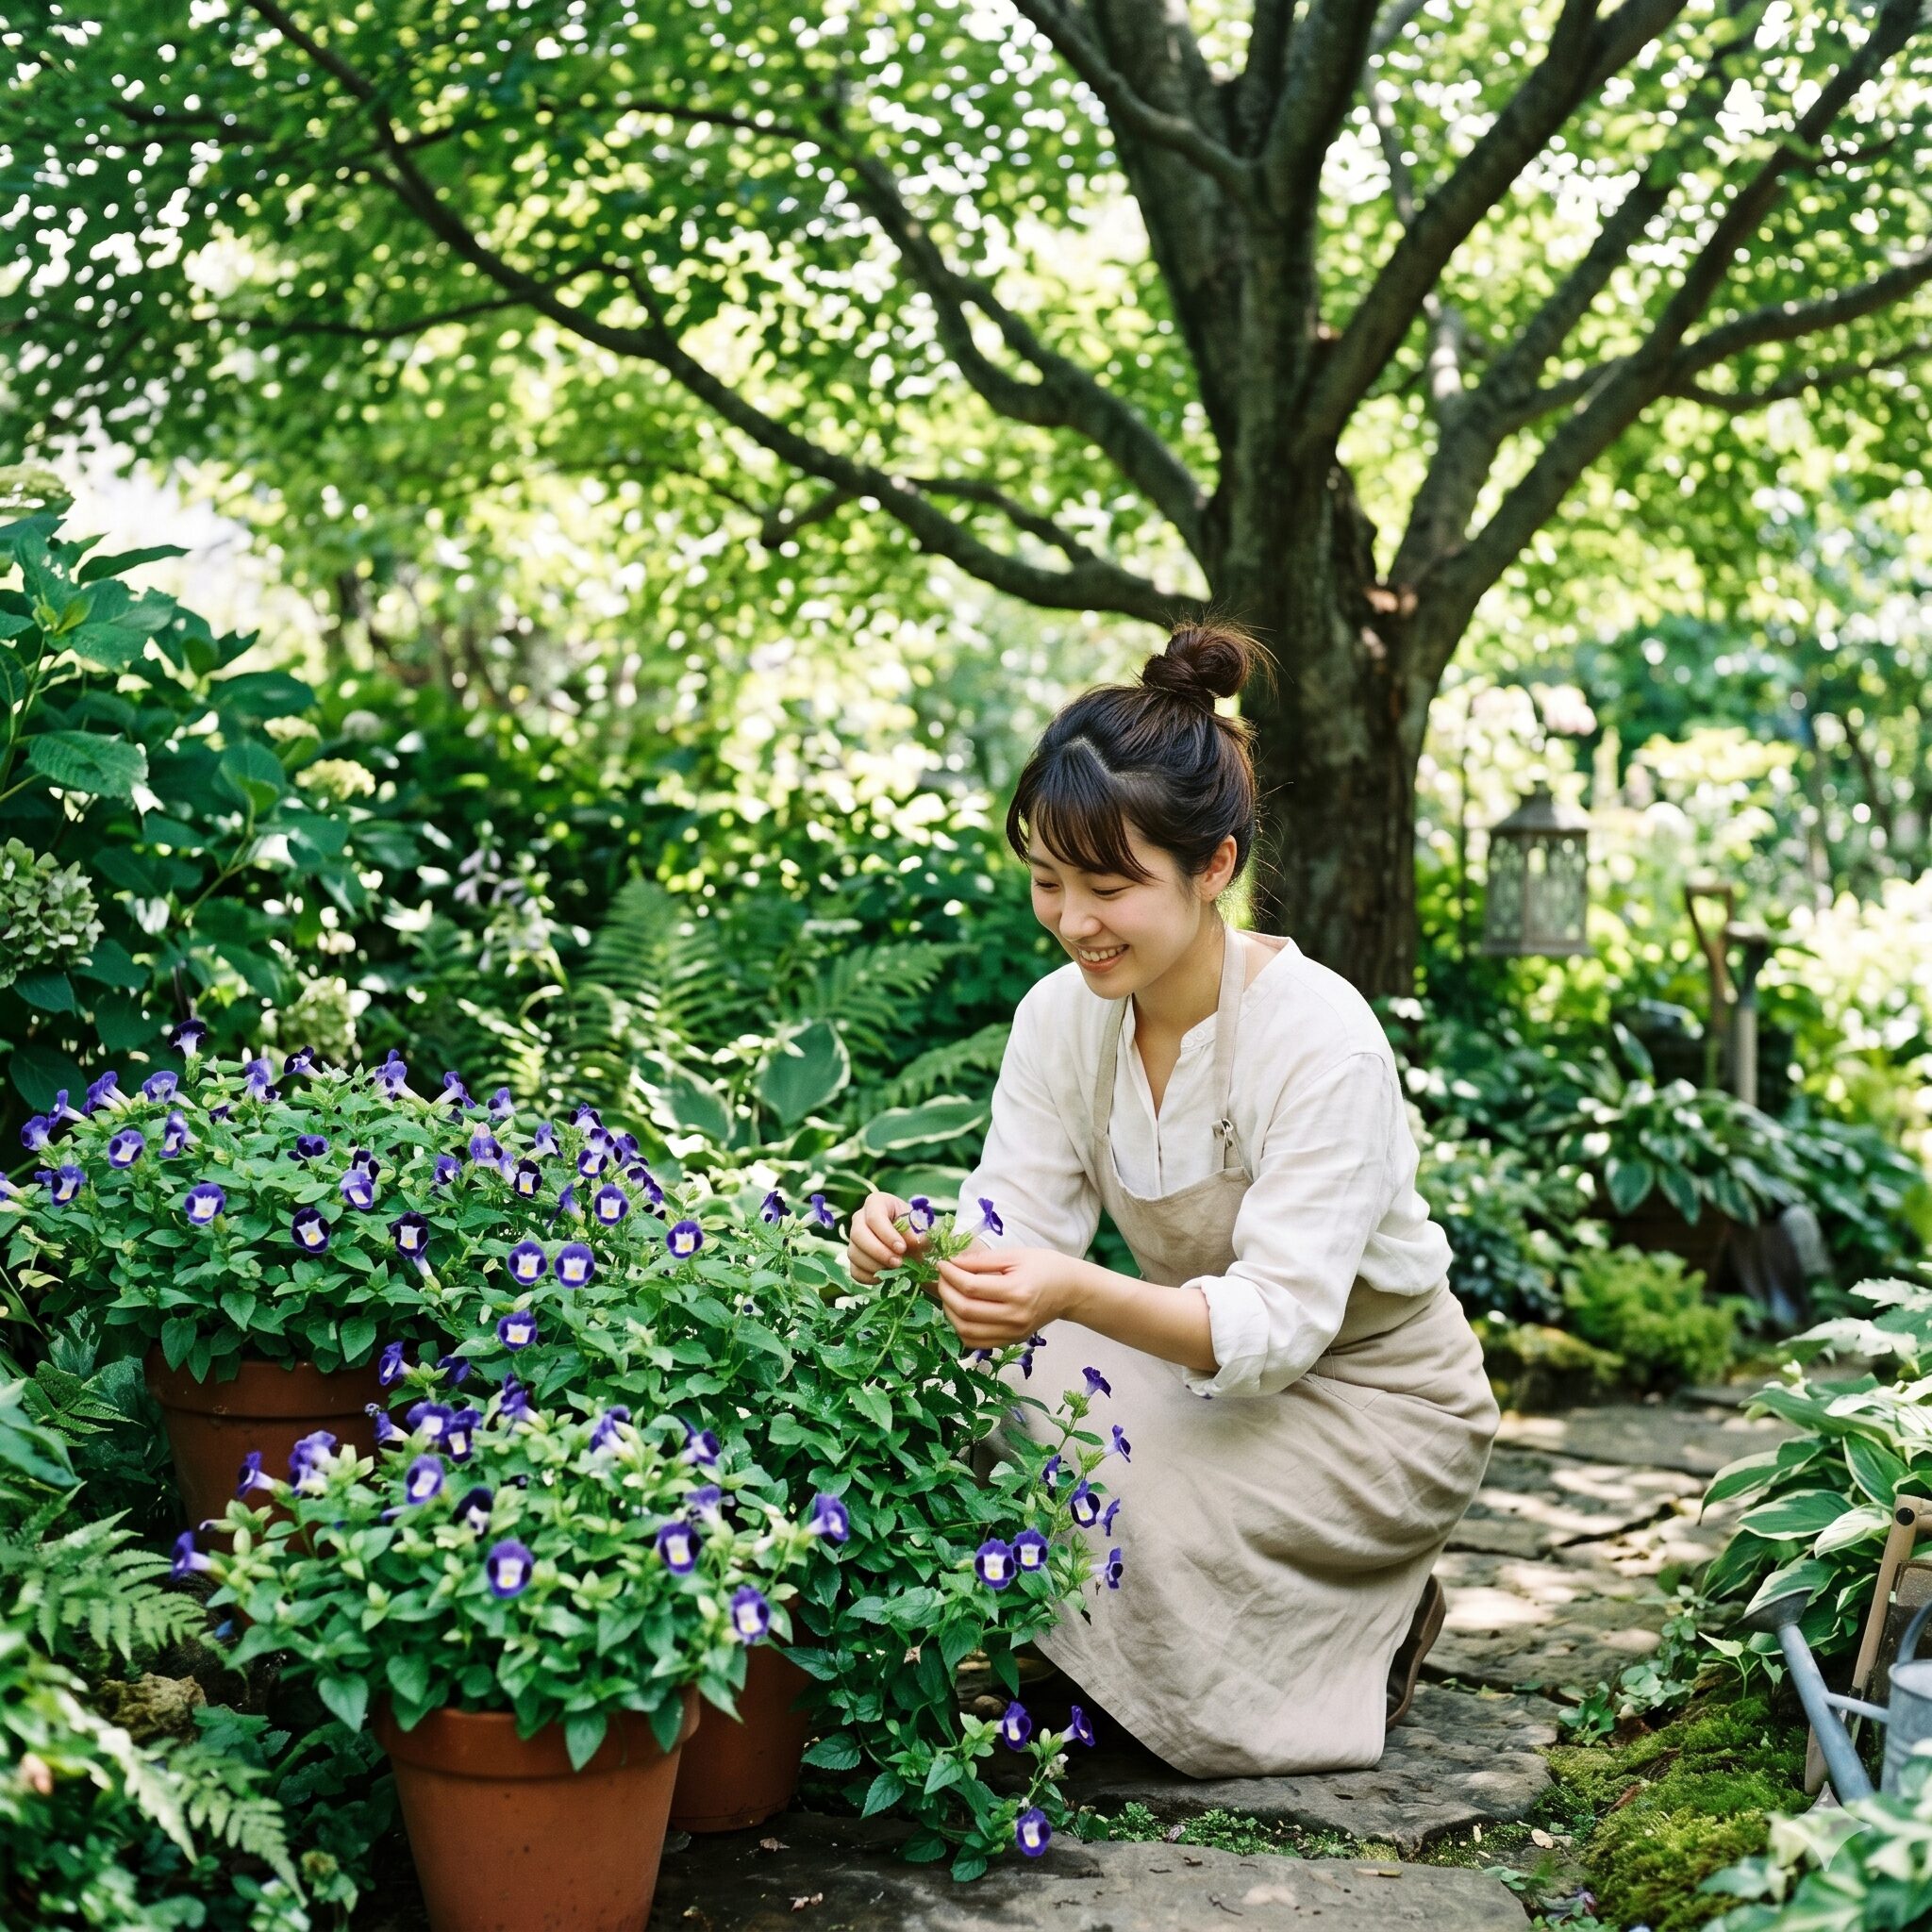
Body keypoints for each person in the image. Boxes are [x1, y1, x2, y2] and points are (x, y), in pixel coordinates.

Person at [847, 622, 1498, 1777]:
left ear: (1214, 867)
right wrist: (921, 1240)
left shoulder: (1317, 1034)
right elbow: (1017, 1234)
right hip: (1214, 1378)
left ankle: (1357, 1632)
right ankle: (1081, 1658)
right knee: (973, 1364)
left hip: (1373, 1407)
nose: (1071, 919)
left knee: (1085, 1421)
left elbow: (1279, 1323)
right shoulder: (1061, 1016)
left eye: (1109, 885)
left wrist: (1068, 1290)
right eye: (1047, 881)